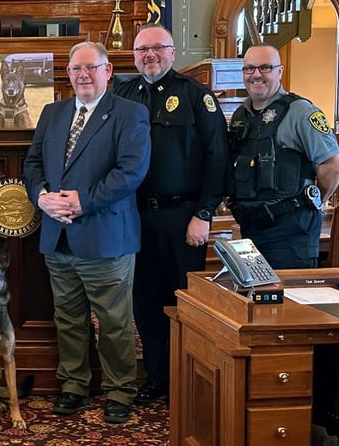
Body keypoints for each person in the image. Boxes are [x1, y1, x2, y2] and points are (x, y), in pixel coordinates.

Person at [23, 41, 150, 423]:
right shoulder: (53, 112)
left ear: (107, 71)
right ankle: (74, 384)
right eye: (76, 69)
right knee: (69, 319)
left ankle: (119, 390)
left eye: (90, 68)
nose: (82, 75)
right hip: (57, 237)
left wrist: (83, 201)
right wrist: (41, 197)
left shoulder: (130, 114)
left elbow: (131, 172)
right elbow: (33, 164)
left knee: (113, 321)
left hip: (105, 235)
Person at [114, 24, 229, 405]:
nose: (150, 55)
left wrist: (205, 212)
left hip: (183, 217)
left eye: (157, 48)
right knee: (144, 301)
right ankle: (158, 377)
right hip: (134, 217)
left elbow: (217, 156)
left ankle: (188, 377)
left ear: (172, 51)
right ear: (133, 55)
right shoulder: (122, 94)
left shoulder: (196, 96)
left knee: (184, 302)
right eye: (142, 49)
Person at [227, 43, 339, 269]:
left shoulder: (301, 112)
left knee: (289, 301)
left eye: (265, 68)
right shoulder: (242, 114)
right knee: (254, 301)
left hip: (291, 233)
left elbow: (334, 165)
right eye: (249, 69)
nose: (256, 75)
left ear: (280, 71)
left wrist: (313, 201)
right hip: (251, 231)